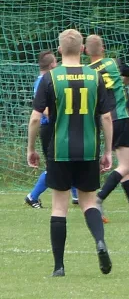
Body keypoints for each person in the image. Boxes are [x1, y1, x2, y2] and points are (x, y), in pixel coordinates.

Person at [27, 29, 114, 276]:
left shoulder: (50, 78)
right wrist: (107, 150)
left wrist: (31, 148)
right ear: (83, 50)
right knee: (88, 202)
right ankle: (99, 241)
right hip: (88, 149)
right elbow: (106, 117)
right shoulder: (94, 76)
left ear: (59, 50)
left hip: (60, 149)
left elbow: (35, 119)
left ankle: (59, 267)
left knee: (59, 207)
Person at [85, 35, 129, 223]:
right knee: (126, 166)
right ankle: (98, 199)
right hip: (121, 116)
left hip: (104, 121)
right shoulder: (114, 62)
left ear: (85, 51)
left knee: (125, 168)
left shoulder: (86, 72)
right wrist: (120, 84)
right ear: (103, 48)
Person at [25, 51, 79, 208]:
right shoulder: (44, 81)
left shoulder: (45, 80)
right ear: (52, 65)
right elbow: (45, 110)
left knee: (71, 160)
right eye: (56, 62)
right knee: (55, 167)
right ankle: (32, 196)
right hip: (51, 127)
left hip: (54, 127)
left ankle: (76, 195)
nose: (58, 64)